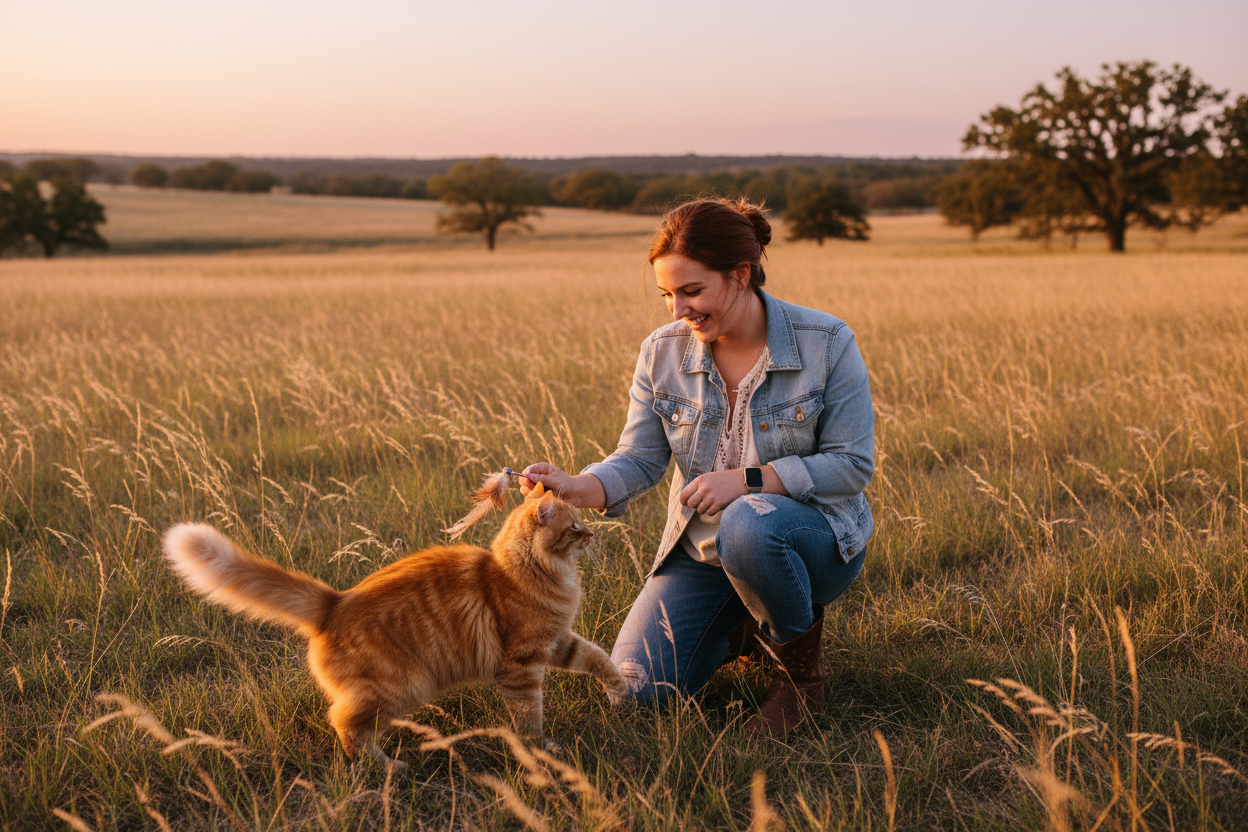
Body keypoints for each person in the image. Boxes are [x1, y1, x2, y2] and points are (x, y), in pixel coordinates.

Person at [520, 197, 874, 737]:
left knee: (748, 522)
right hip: (702, 554)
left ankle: (799, 679)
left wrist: (748, 481)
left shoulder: (826, 343)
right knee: (634, 694)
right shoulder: (661, 353)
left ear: (740, 274)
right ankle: (743, 626)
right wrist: (576, 486)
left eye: (691, 291)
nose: (677, 309)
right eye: (667, 294)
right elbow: (639, 458)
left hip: (809, 542)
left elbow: (851, 466)